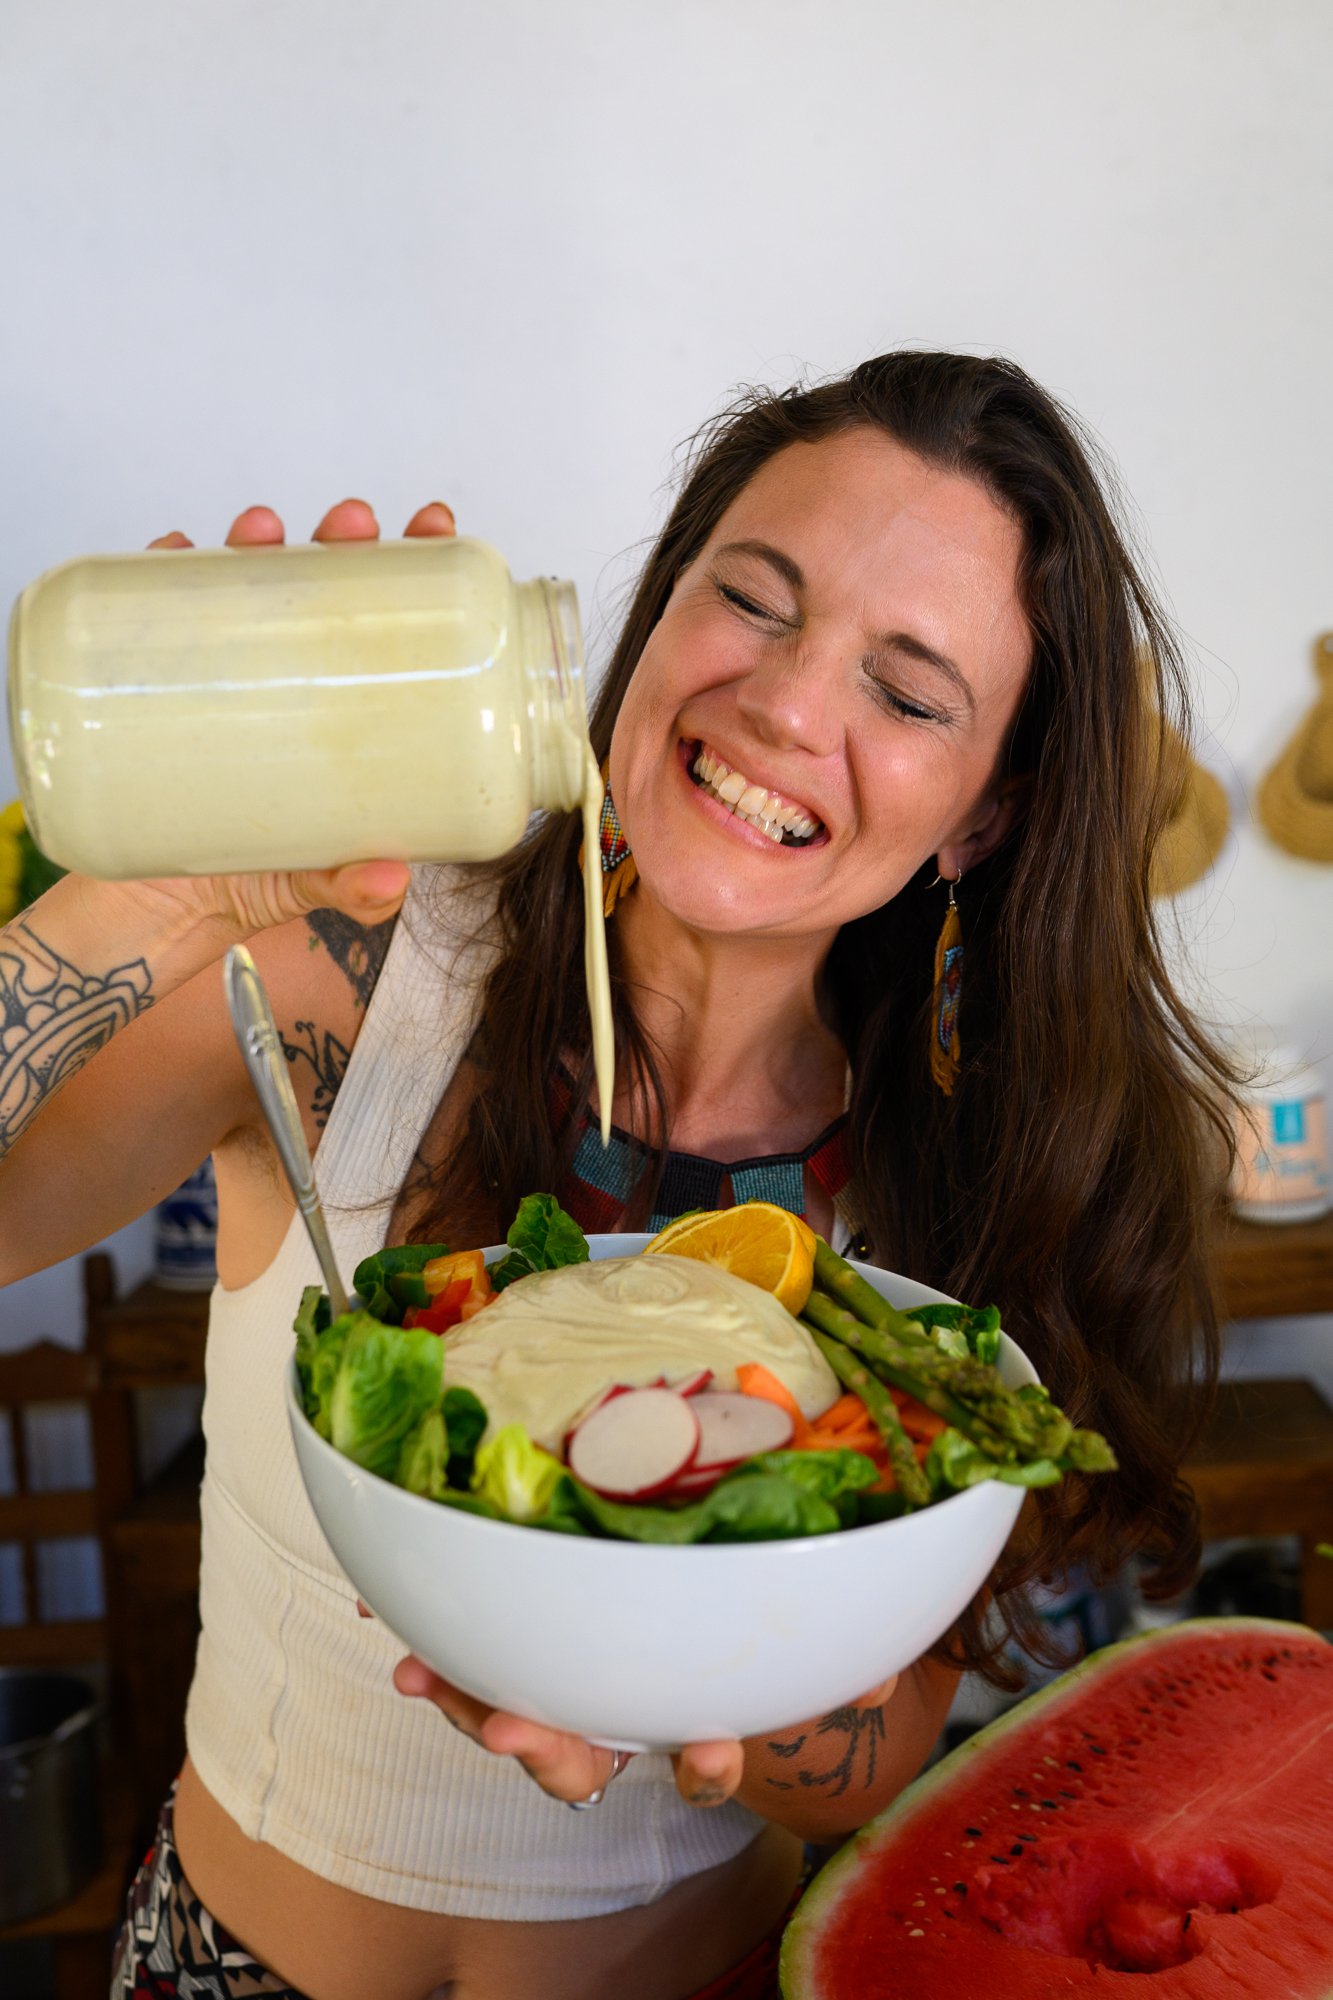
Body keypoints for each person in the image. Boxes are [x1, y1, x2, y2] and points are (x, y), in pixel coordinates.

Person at [0, 351, 1235, 2000]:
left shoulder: (965, 1171)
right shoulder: (359, 974)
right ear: (652, 617)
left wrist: (658, 1672)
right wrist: (149, 905)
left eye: (908, 689)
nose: (791, 706)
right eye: (754, 599)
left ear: (982, 813)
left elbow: (868, 1760)